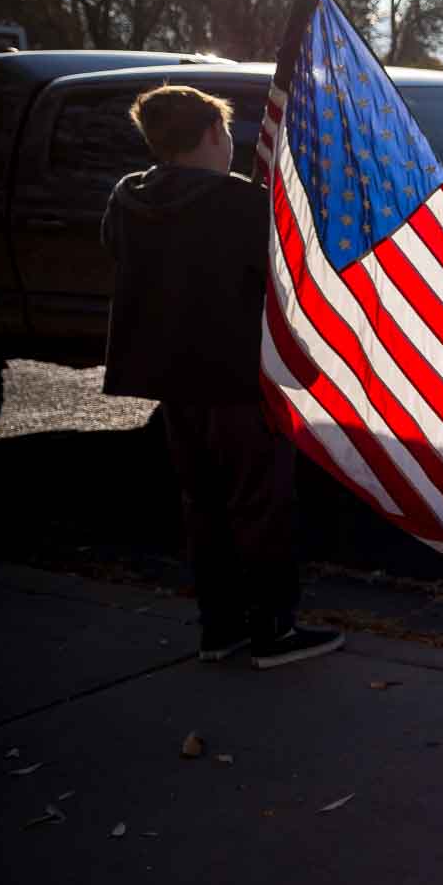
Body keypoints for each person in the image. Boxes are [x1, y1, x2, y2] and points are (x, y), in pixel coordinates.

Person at [102, 84, 343, 670]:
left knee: (202, 503)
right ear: (212, 135)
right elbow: (287, 279)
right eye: (225, 133)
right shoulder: (239, 204)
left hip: (172, 378)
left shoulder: (127, 200)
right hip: (238, 376)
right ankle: (274, 630)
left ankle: (220, 627)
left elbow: (118, 257)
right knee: (260, 504)